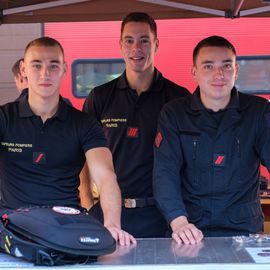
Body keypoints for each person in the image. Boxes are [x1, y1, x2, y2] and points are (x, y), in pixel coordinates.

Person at [0, 37, 136, 246]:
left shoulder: (84, 123)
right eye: (37, 65)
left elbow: (105, 176)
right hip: (14, 228)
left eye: (53, 65)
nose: (45, 73)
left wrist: (112, 225)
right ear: (23, 69)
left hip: (67, 228)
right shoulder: (4, 118)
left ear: (64, 69)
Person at [153, 35, 270, 244]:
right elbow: (165, 172)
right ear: (194, 72)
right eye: (208, 66)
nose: (219, 74)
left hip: (244, 231)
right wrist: (178, 221)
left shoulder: (258, 112)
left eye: (226, 66)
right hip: (189, 232)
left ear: (236, 70)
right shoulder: (174, 114)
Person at [82, 12, 190, 238]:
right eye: (129, 40)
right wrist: (87, 204)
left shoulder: (178, 98)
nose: (136, 48)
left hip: (162, 218)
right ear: (120, 45)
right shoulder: (100, 97)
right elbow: (81, 157)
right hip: (109, 216)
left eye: (144, 40)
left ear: (156, 44)